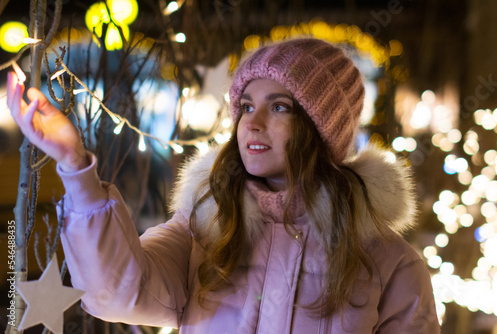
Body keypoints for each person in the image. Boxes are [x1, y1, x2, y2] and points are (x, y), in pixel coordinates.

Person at [7, 37, 441, 333]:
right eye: (246, 105)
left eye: (281, 107)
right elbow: (114, 293)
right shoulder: (202, 232)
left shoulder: (390, 264)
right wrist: (74, 163)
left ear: (320, 128)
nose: (251, 122)